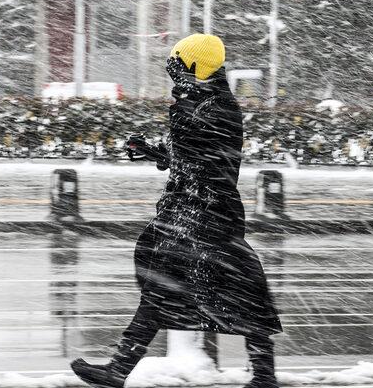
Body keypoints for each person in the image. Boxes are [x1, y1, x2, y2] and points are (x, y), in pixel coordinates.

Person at [70, 34, 283, 388]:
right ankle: (118, 370)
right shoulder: (201, 101)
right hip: (190, 209)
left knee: (238, 289)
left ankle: (263, 375)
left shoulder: (216, 105)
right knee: (169, 288)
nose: (174, 75)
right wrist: (155, 152)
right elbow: (188, 154)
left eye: (179, 66)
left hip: (208, 212)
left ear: (196, 66)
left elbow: (205, 156)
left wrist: (182, 105)